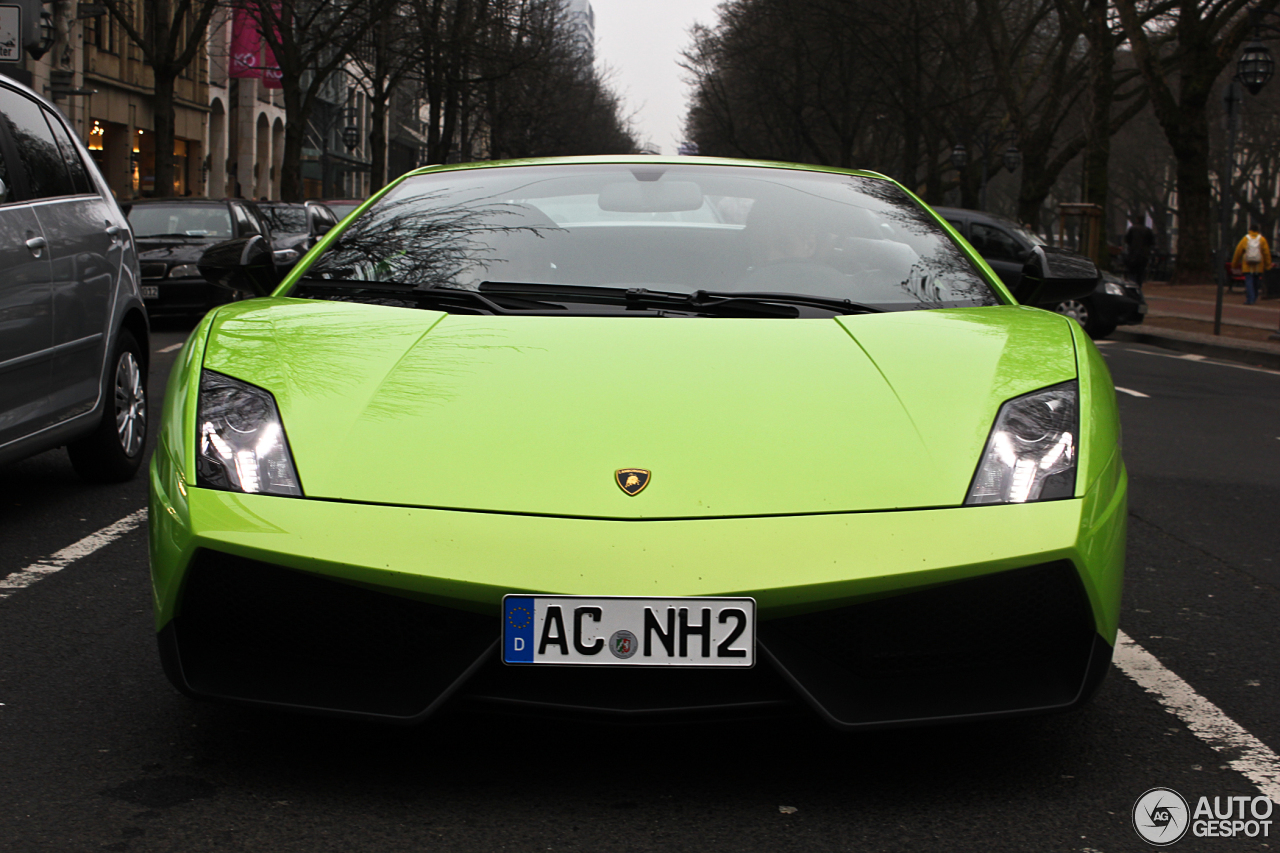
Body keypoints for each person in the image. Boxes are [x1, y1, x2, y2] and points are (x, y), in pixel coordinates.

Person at [1231, 226, 1272, 305]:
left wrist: (1234, 264)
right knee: (1256, 282)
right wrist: (1267, 265)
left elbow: (1238, 252)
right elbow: (1266, 254)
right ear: (1258, 230)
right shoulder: (1262, 239)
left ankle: (1250, 299)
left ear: (1250, 230)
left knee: (1249, 282)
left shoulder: (1245, 239)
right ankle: (1255, 297)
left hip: (1247, 265)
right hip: (1258, 266)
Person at [1124, 215, 1155, 286]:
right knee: (1141, 271)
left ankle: (1132, 283)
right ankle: (1139, 284)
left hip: (1133, 253)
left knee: (1132, 271)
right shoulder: (1147, 230)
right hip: (1143, 254)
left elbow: (1127, 240)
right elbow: (1152, 242)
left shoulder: (1132, 229)